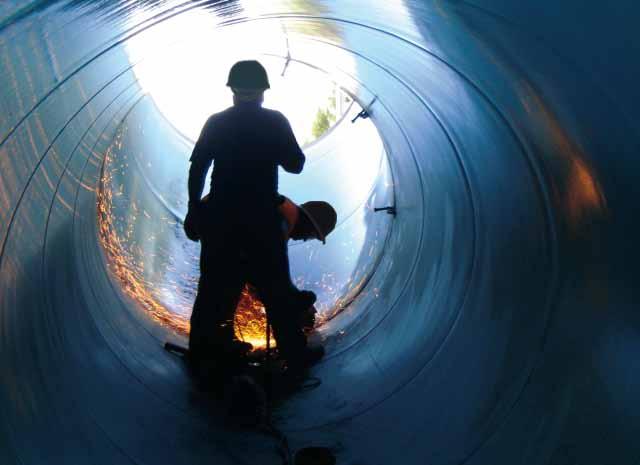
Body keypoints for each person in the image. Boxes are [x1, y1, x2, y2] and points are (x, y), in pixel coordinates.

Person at [185, 60, 327, 377]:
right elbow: (295, 165)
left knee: (214, 290)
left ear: (232, 91)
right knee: (276, 291)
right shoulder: (275, 122)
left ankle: (206, 354)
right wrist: (275, 145)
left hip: (220, 217)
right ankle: (296, 356)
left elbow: (198, 168)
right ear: (264, 92)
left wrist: (195, 209)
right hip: (261, 220)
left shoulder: (216, 122)